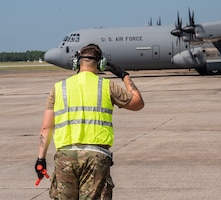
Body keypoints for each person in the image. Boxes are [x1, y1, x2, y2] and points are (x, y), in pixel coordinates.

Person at [35, 44, 144, 200]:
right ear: (101, 63)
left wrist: (41, 159)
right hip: (97, 157)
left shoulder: (59, 88)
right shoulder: (107, 86)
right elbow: (138, 103)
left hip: (66, 156)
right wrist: (124, 75)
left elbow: (46, 127)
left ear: (77, 62)